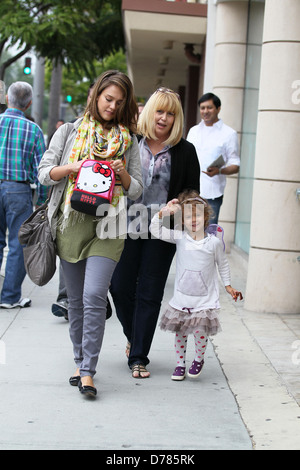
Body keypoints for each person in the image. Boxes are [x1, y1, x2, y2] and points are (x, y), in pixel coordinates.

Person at [38, 70, 143, 398]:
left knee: (95, 295)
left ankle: (87, 372)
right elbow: (44, 173)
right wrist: (72, 168)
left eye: (119, 102)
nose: (112, 106)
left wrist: (123, 174)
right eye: (108, 98)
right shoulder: (69, 132)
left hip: (108, 225)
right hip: (71, 225)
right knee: (76, 302)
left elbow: (137, 190)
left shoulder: (128, 140)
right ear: (96, 95)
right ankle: (80, 359)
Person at [110, 87, 200, 378]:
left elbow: (192, 193)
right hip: (126, 225)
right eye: (159, 111)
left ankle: (138, 357)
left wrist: (180, 205)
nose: (164, 118)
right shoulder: (130, 142)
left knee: (149, 294)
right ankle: (134, 337)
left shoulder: (186, 152)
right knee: (120, 287)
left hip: (162, 230)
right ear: (149, 112)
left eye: (171, 113)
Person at [150, 189, 243, 381]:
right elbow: (155, 229)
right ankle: (179, 364)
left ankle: (198, 359)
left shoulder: (214, 243)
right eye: (188, 216)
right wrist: (162, 213)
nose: (194, 220)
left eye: (198, 215)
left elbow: (223, 264)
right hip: (182, 297)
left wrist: (228, 285)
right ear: (182, 219)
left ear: (206, 216)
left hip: (204, 299)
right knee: (181, 332)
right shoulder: (179, 237)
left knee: (200, 331)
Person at [0, 81, 47, 309]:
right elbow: (42, 170)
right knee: (18, 244)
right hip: (18, 189)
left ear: (7, 99)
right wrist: (43, 199)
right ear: (28, 104)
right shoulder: (34, 130)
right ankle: (9, 297)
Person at [187, 92, 240, 224]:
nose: (205, 111)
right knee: (190, 233)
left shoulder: (229, 134)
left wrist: (220, 171)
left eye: (209, 107)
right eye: (202, 108)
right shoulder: (193, 131)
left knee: (208, 234)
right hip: (191, 192)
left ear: (218, 109)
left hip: (212, 193)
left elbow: (235, 164)